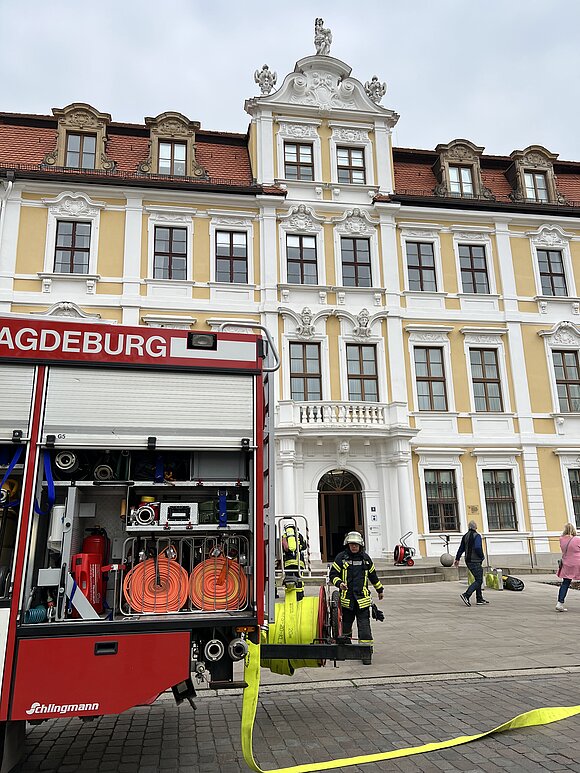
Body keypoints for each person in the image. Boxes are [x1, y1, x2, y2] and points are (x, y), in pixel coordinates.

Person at [329, 531, 383, 665]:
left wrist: (380, 590)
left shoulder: (366, 559)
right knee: (346, 626)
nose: (354, 547)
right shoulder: (341, 558)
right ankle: (346, 649)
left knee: (364, 627)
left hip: (362, 600)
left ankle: (365, 653)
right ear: (348, 544)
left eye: (356, 544)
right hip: (347, 600)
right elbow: (333, 574)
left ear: (360, 545)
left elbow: (373, 576)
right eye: (351, 544)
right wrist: (339, 583)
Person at [454, 520, 489, 606]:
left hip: (468, 560)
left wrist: (457, 559)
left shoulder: (465, 536)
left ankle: (479, 598)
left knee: (478, 578)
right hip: (475, 560)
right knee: (479, 580)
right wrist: (482, 556)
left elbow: (461, 548)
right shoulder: (476, 536)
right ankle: (466, 595)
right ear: (475, 527)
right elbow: (477, 547)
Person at [556, 523, 580, 612]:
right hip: (578, 563)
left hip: (567, 563)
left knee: (565, 583)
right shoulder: (577, 539)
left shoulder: (561, 539)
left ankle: (560, 603)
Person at [281, 521, 306, 602]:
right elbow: (304, 546)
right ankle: (300, 596)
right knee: (299, 579)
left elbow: (283, 548)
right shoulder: (299, 535)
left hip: (288, 562)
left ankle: (290, 597)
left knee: (289, 579)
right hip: (299, 562)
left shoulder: (284, 536)